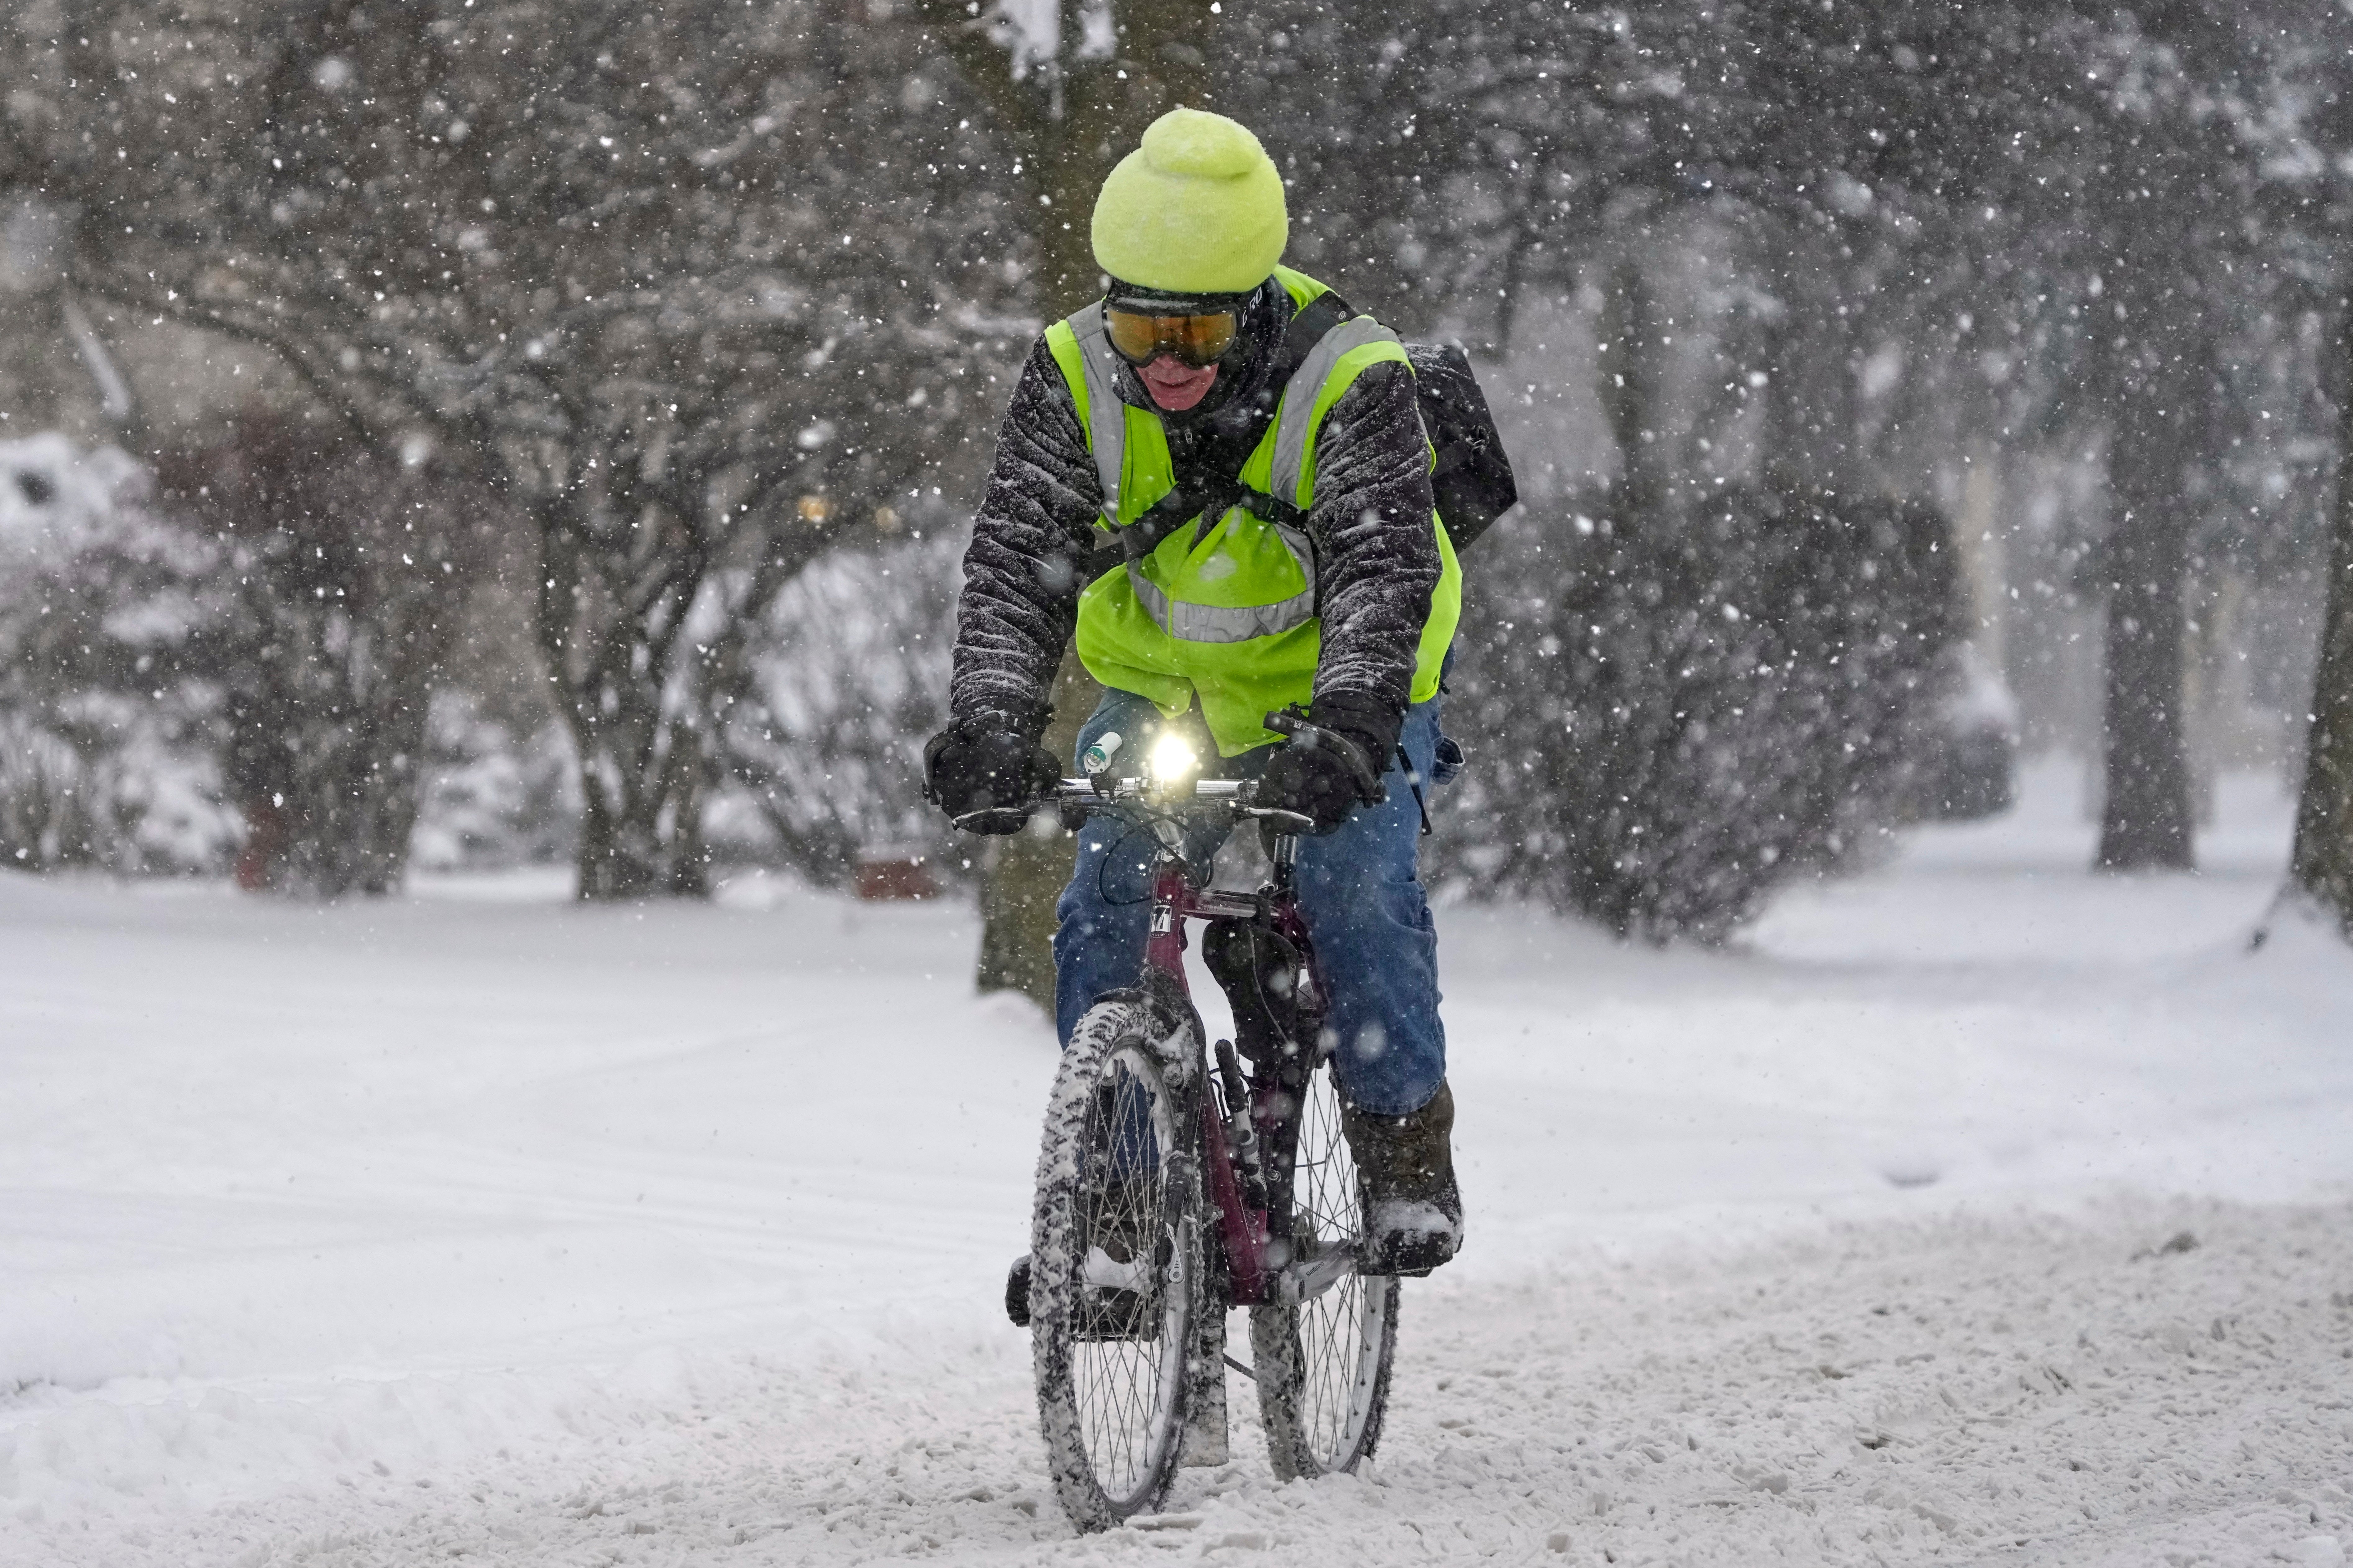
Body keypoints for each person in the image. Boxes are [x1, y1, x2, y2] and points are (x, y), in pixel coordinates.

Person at [922, 108, 1465, 1277]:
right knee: (1105, 901)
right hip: (1169, 700)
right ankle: (1115, 1208)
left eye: (1199, 329)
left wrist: (1352, 726)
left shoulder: (1348, 377)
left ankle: (1402, 1145)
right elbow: (1019, 559)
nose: (1164, 358)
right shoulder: (1073, 371)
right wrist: (992, 723)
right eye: (1138, 324)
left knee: (1354, 880)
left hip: (1343, 699)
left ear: (1256, 307)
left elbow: (1383, 571)